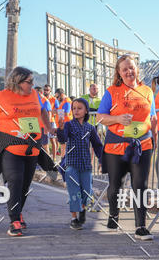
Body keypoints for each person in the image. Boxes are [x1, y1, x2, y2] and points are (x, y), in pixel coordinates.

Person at [0, 67, 54, 237]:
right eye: (29, 82)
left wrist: (49, 128)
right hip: (11, 147)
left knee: (24, 185)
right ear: (17, 82)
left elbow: (42, 111)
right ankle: (14, 220)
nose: (32, 84)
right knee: (15, 180)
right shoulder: (0, 97)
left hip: (32, 148)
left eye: (32, 81)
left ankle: (18, 212)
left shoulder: (35, 95)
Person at [97, 54, 157, 241]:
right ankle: (113, 214)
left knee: (140, 185)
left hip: (142, 145)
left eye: (131, 67)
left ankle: (141, 227)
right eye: (125, 69)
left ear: (137, 69)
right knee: (116, 185)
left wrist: (154, 136)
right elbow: (100, 117)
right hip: (116, 146)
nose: (129, 71)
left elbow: (152, 117)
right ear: (119, 73)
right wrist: (117, 119)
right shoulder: (112, 92)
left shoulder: (147, 91)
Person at [56, 98, 103, 230]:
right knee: (74, 191)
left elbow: (98, 145)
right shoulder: (68, 125)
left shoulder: (90, 128)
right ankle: (74, 218)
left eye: (79, 108)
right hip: (71, 164)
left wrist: (102, 160)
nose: (76, 111)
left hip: (86, 165)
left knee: (87, 192)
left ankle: (82, 210)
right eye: (74, 108)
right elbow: (63, 138)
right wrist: (60, 128)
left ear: (86, 110)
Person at [54, 88, 72, 157]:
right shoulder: (63, 102)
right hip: (62, 125)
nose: (57, 99)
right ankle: (63, 159)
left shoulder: (67, 101)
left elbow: (66, 113)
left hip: (66, 125)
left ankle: (65, 160)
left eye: (58, 97)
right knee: (63, 145)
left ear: (62, 94)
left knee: (65, 145)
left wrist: (56, 112)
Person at [43, 84, 59, 160]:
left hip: (51, 122)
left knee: (52, 140)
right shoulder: (42, 99)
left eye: (47, 90)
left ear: (50, 91)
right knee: (44, 142)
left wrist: (50, 112)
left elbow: (58, 110)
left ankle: (54, 158)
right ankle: (46, 158)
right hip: (42, 122)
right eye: (44, 90)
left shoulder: (54, 100)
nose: (45, 91)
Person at [35, 86, 52, 153]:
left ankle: (48, 159)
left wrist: (47, 126)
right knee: (38, 145)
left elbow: (49, 114)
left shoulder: (45, 101)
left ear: (41, 92)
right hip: (37, 126)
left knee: (45, 145)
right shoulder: (37, 101)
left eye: (36, 92)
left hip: (43, 126)